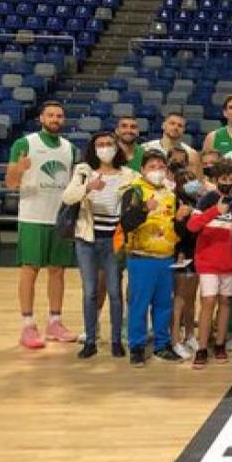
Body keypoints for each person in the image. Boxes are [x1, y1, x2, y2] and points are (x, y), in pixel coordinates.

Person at [6, 101, 78, 350]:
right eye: (51, 115)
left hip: (60, 218)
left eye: (59, 115)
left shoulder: (70, 149)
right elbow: (11, 184)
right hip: (33, 217)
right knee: (30, 270)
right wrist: (18, 168)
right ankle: (27, 325)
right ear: (41, 118)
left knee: (58, 271)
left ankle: (55, 322)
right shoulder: (25, 144)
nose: (55, 119)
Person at [61, 131, 135, 359]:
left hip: (114, 239)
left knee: (114, 291)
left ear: (117, 147)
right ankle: (91, 340)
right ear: (93, 148)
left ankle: (115, 341)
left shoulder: (129, 174)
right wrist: (88, 187)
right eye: (100, 144)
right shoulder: (83, 170)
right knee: (90, 291)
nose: (105, 148)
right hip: (87, 239)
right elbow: (68, 197)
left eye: (109, 144)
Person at [118, 150, 182, 367]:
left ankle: (162, 344)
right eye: (152, 167)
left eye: (161, 167)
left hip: (166, 256)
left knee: (164, 304)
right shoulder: (134, 191)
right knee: (139, 304)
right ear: (143, 169)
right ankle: (136, 346)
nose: (157, 171)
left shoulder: (170, 193)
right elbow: (126, 223)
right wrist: (144, 209)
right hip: (142, 257)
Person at [188, 159, 232, 368]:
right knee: (208, 302)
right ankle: (202, 348)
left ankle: (220, 344)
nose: (227, 183)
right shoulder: (206, 200)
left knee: (226, 303)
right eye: (223, 179)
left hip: (229, 262)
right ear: (216, 179)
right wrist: (214, 211)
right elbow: (193, 226)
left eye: (231, 179)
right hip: (208, 262)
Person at [169, 156, 200, 359]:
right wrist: (179, 219)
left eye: (193, 179)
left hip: (196, 254)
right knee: (178, 299)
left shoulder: (197, 201)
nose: (191, 183)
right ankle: (175, 339)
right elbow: (176, 231)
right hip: (180, 254)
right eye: (186, 181)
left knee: (191, 298)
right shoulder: (174, 202)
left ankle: (190, 334)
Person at [143, 112, 200, 176]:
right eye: (172, 123)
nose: (176, 127)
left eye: (180, 126)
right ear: (163, 125)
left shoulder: (191, 153)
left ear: (184, 130)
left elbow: (195, 180)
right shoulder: (146, 148)